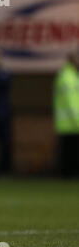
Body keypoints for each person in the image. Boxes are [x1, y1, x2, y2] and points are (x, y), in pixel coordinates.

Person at [53, 50, 79, 178]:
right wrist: (77, 121)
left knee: (72, 151)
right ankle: (67, 175)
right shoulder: (67, 77)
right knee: (69, 153)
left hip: (71, 123)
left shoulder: (73, 75)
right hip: (69, 123)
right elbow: (71, 103)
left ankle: (70, 173)